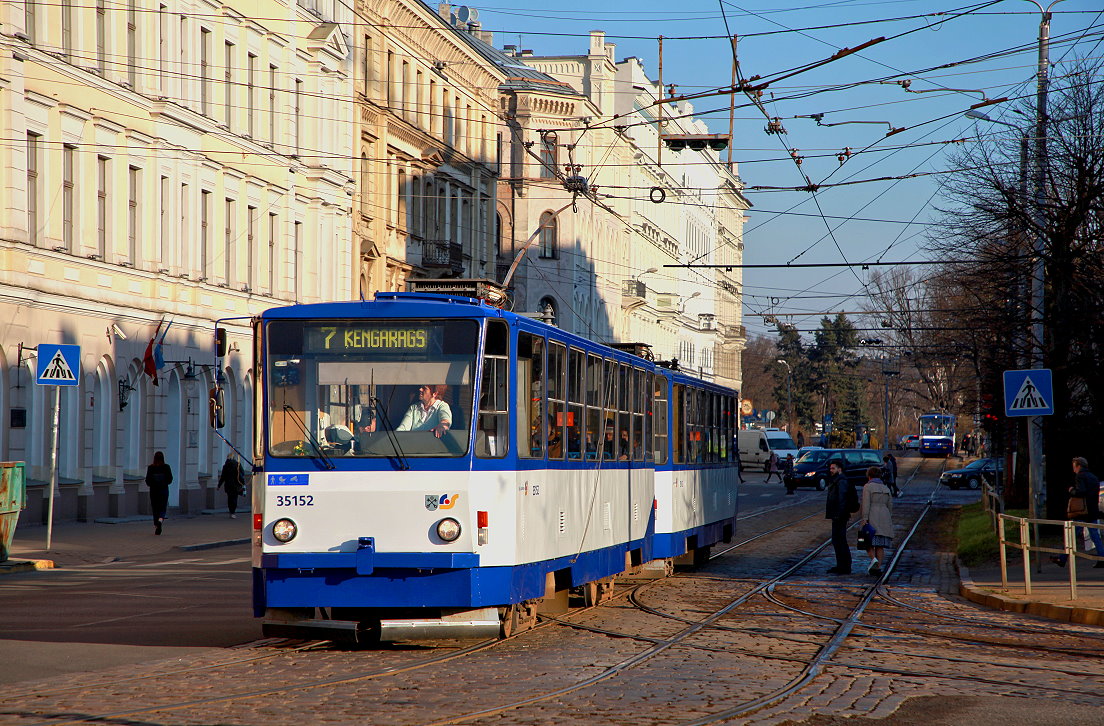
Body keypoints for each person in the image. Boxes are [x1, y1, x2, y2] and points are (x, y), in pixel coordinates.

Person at [1051, 457, 1104, 568]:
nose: (1073, 469)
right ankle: (1102, 557)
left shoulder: (1080, 476)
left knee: (1071, 535)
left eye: (1074, 466)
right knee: (1095, 536)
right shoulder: (1093, 477)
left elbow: (1081, 492)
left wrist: (1072, 490)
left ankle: (1062, 558)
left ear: (1079, 466)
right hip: (1092, 510)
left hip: (1082, 511)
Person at [860, 466, 894, 575]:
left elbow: (866, 504)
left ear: (869, 476)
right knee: (880, 545)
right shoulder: (886, 488)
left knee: (866, 542)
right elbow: (890, 505)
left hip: (872, 516)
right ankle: (878, 567)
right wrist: (888, 517)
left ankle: (873, 559)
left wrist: (865, 518)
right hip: (884, 516)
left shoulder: (868, 487)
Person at [825, 459, 855, 574]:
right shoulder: (836, 480)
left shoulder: (841, 481)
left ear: (839, 469)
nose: (831, 470)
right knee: (837, 540)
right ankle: (841, 565)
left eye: (833, 468)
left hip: (840, 515)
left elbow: (842, 498)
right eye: (830, 468)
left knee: (840, 540)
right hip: (837, 514)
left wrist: (840, 513)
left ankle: (845, 566)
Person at [145, 451, 172, 535]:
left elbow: (148, 481)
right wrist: (163, 483)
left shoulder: (151, 468)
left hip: (154, 491)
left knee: (155, 508)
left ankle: (156, 524)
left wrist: (153, 484)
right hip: (163, 490)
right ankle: (160, 520)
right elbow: (170, 479)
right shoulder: (166, 467)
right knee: (162, 507)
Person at [217, 453, 245, 519]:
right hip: (236, 485)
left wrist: (219, 485)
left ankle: (231, 511)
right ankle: (233, 512)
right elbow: (242, 473)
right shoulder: (237, 465)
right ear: (233, 458)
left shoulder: (225, 466)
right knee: (235, 498)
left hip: (228, 485)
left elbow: (223, 477)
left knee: (230, 498)